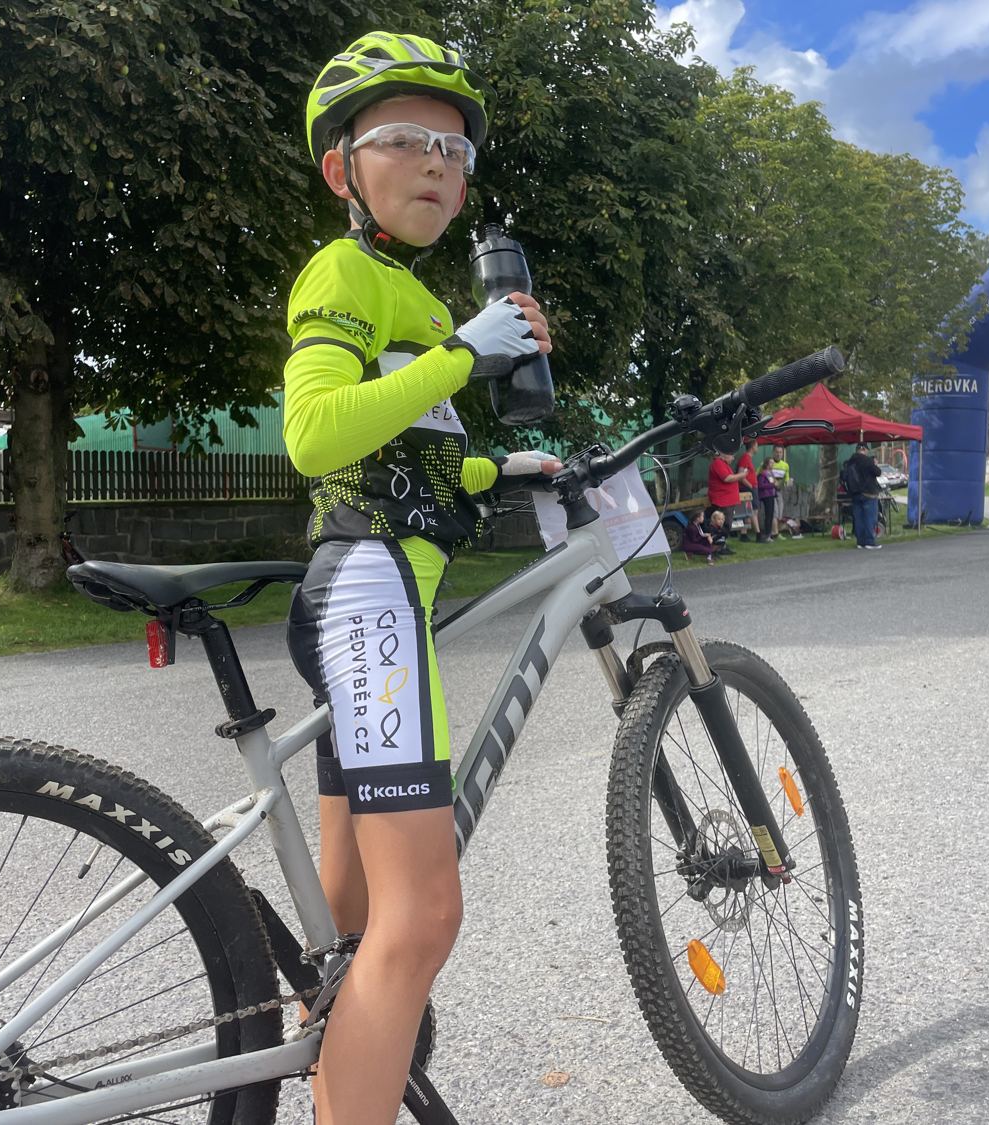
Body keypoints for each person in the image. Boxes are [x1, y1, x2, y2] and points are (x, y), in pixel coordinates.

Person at [283, 32, 558, 1125]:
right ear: (341, 169)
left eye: (454, 149)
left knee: (347, 924)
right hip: (370, 592)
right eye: (404, 139)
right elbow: (315, 433)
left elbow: (412, 460)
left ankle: (313, 1077)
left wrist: (503, 466)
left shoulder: (416, 300)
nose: (438, 163)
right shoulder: (343, 271)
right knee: (424, 916)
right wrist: (467, 355)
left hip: (373, 593)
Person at [842, 442, 883, 550]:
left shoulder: (850, 462)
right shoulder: (867, 461)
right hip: (868, 493)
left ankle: (860, 541)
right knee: (870, 518)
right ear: (864, 449)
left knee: (859, 519)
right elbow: (878, 472)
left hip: (855, 494)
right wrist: (875, 464)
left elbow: (844, 476)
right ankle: (869, 541)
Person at [706, 450, 747, 530]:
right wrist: (742, 475)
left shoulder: (723, 464)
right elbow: (727, 478)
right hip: (723, 501)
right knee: (723, 525)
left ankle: (721, 537)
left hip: (726, 501)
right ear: (725, 455)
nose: (733, 458)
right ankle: (719, 538)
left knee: (725, 525)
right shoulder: (718, 463)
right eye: (732, 455)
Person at [753, 455, 779, 543]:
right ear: (767, 464)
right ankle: (767, 534)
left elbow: (773, 482)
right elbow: (761, 485)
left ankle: (769, 534)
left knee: (771, 515)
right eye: (771, 462)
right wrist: (772, 485)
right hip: (766, 495)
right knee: (768, 515)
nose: (773, 464)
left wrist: (776, 485)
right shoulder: (762, 474)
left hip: (771, 495)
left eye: (773, 463)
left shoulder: (771, 473)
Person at [771, 452, 790, 536]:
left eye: (780, 452)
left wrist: (787, 483)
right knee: (774, 512)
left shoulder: (785, 465)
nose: (778, 454)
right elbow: (762, 474)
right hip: (770, 491)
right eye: (777, 452)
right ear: (773, 453)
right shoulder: (769, 463)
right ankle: (775, 532)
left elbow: (787, 479)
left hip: (780, 491)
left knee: (780, 512)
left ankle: (777, 531)